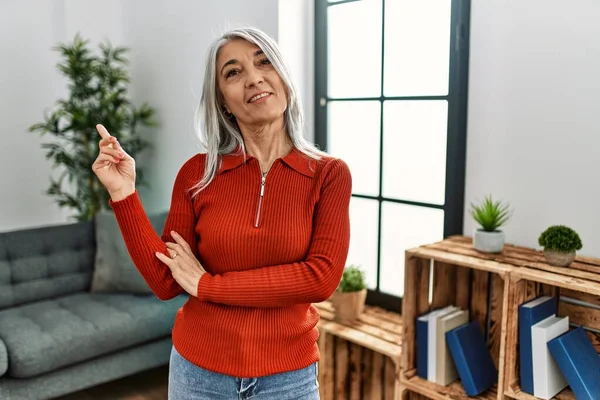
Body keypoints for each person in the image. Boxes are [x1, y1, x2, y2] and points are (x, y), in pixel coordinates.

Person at [92, 26, 352, 400]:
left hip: (287, 379)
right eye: (233, 72)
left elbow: (319, 279)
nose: (254, 78)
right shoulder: (197, 174)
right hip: (197, 374)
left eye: (264, 63)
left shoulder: (328, 174)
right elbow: (167, 282)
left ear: (283, 79)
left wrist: (207, 285)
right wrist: (123, 193)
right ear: (224, 101)